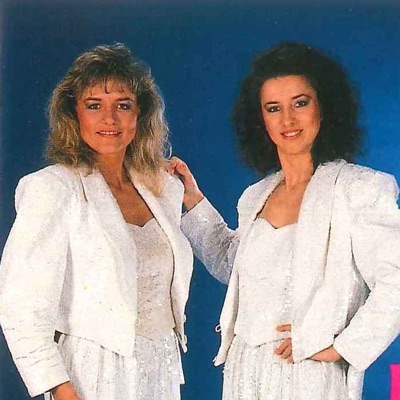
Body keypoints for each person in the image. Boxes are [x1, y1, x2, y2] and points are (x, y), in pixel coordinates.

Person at [170, 42, 400, 399]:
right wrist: (192, 199)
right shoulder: (256, 196)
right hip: (245, 372)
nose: (287, 120)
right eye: (273, 108)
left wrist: (342, 348)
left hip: (308, 374)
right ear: (260, 119)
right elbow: (234, 267)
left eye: (300, 103)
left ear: (324, 106)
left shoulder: (358, 189)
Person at [0, 43, 193, 400]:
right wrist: (61, 390)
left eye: (123, 105)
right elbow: (20, 308)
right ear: (73, 114)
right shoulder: (54, 188)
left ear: (140, 114)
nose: (110, 119)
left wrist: (194, 199)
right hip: (91, 373)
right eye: (94, 105)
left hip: (161, 366)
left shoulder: (163, 189)